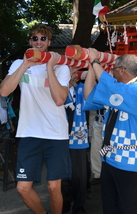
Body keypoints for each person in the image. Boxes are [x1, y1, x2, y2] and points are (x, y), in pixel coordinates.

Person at [0, 24, 71, 214]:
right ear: (30, 41)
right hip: (29, 132)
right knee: (23, 187)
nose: (39, 42)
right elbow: (4, 91)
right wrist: (25, 65)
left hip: (56, 134)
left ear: (49, 42)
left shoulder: (61, 66)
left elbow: (59, 99)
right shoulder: (18, 64)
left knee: (54, 187)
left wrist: (49, 66)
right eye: (35, 38)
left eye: (43, 39)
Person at [83, 50, 137, 214]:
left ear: (122, 70)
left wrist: (95, 62)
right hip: (109, 158)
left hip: (130, 161)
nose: (111, 72)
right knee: (109, 208)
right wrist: (92, 69)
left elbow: (112, 87)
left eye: (113, 69)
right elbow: (88, 97)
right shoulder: (117, 91)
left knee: (127, 209)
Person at [62, 68, 89, 214]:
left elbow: (92, 93)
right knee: (62, 176)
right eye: (71, 73)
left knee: (79, 176)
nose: (74, 76)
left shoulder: (82, 89)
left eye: (74, 73)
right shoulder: (57, 90)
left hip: (78, 138)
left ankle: (79, 207)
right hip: (59, 138)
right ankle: (64, 204)